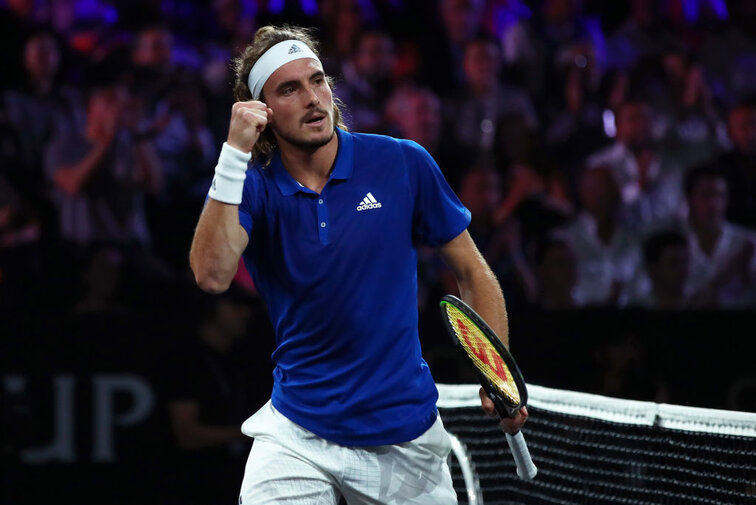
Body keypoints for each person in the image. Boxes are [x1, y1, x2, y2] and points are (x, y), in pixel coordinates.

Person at [189, 24, 527, 505]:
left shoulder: (401, 162)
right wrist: (233, 153)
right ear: (261, 111)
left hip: (405, 437)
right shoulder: (252, 186)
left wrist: (498, 373)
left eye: (318, 80)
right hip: (297, 435)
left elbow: (473, 273)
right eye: (290, 89)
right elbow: (211, 274)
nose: (313, 98)